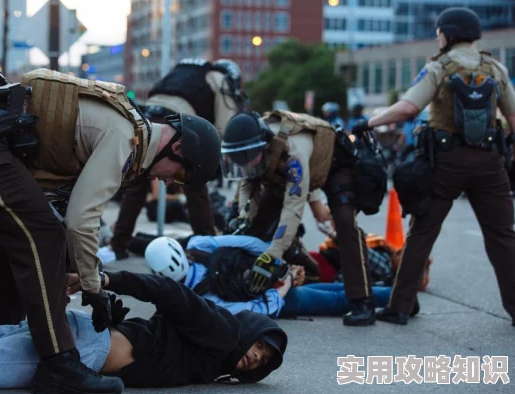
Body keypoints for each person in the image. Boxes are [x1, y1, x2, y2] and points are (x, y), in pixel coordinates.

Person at [0, 69, 221, 393]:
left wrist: (86, 273)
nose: (171, 182)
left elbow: (67, 212)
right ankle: (58, 363)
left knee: (19, 236)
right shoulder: (125, 139)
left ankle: (6, 335)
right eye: (181, 175)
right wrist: (94, 289)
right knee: (44, 236)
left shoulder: (132, 136)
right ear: (178, 146)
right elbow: (79, 221)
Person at [353, 7, 515, 326]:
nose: (437, 37)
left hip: (446, 162)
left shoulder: (439, 66)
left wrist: (369, 122)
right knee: (503, 238)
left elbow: (409, 107)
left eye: (439, 32)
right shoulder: (495, 68)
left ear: (448, 34)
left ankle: (400, 307)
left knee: (422, 233)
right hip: (490, 162)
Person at [0, 270, 287, 390]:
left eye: (264, 360)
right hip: (85, 351)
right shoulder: (223, 330)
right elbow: (170, 290)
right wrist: (104, 279)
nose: (256, 357)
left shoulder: (213, 356)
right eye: (260, 346)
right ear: (250, 330)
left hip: (85, 334)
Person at [221, 109, 387, 326]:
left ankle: (363, 301)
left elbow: (293, 208)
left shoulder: (293, 151)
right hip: (283, 174)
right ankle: (250, 282)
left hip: (332, 166)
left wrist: (273, 253)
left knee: (345, 224)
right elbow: (247, 183)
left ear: (264, 145)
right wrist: (242, 215)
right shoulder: (252, 148)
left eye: (248, 157)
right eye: (239, 158)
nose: (245, 162)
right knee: (254, 223)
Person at [111, 58, 247, 259]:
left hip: (147, 118)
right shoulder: (220, 78)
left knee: (137, 185)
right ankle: (205, 244)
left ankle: (118, 244)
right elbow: (224, 127)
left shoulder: (185, 69)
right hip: (176, 125)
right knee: (195, 183)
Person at [145, 235, 393, 319]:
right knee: (341, 288)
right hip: (271, 274)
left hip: (281, 297)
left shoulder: (199, 299)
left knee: (339, 301)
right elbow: (250, 243)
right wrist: (280, 266)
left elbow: (253, 310)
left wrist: (282, 290)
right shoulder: (199, 245)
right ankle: (397, 296)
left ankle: (396, 299)